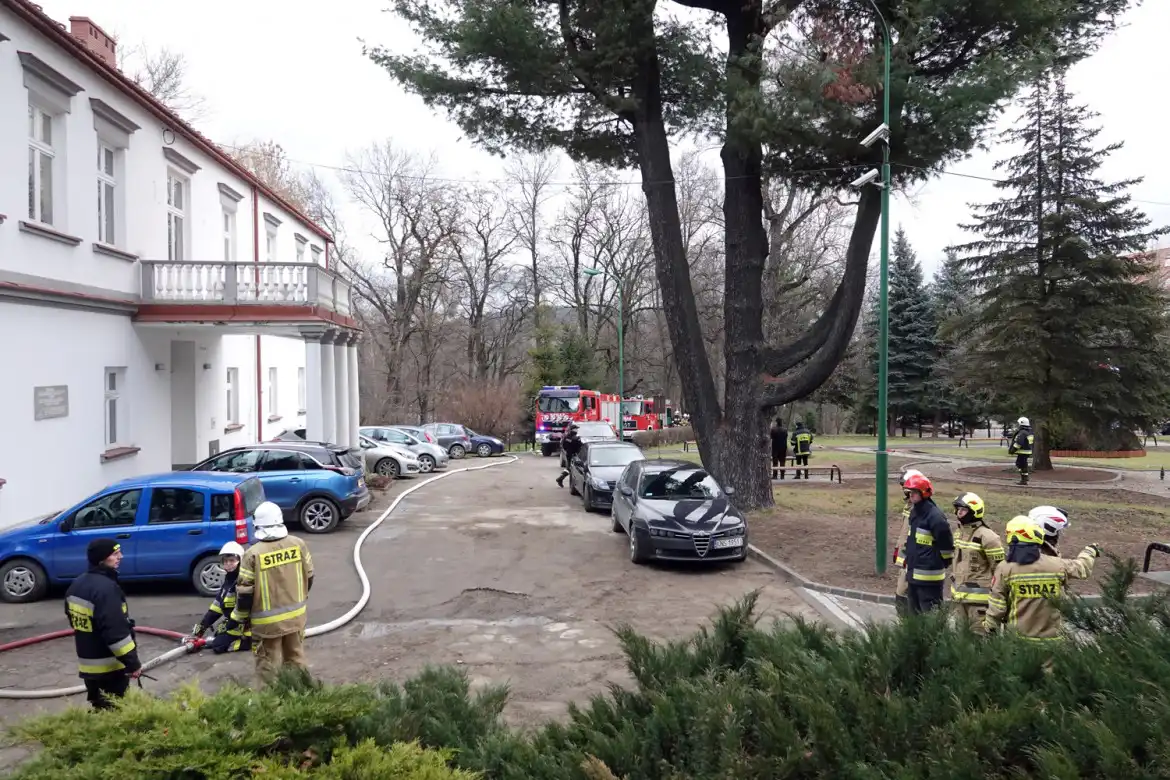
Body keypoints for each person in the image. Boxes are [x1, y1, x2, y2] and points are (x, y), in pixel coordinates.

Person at [230, 501, 314, 685]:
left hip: (266, 626)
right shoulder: (298, 544)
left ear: (258, 526)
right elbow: (310, 577)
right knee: (296, 660)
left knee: (268, 668)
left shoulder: (252, 554)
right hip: (296, 619)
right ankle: (304, 699)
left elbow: (245, 594)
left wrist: (238, 618)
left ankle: (271, 707)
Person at [984, 516, 1100, 640]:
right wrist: (1089, 551)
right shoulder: (1057, 565)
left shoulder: (1005, 569)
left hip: (1018, 643)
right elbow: (1082, 568)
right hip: (1053, 642)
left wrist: (990, 631)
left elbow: (996, 606)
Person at [64, 539, 142, 710]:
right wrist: (132, 663)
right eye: (115, 554)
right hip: (110, 669)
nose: (120, 556)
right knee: (116, 711)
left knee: (100, 708)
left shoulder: (77, 584)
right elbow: (116, 633)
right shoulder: (106, 589)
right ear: (101, 559)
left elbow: (73, 619)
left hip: (88, 666)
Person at [949, 492, 1004, 633]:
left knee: (980, 642)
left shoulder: (989, 537)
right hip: (960, 599)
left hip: (980, 604)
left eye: (963, 510)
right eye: (958, 509)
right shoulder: (959, 533)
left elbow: (999, 571)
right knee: (961, 641)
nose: (959, 513)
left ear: (974, 512)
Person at [901, 473, 954, 614]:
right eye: (909, 492)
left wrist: (940, 561)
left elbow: (947, 546)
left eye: (914, 492)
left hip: (929, 579)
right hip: (914, 576)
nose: (910, 496)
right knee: (915, 618)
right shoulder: (915, 513)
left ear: (924, 493)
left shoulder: (935, 517)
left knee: (931, 620)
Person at [187, 541, 252, 654]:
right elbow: (217, 607)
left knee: (218, 646)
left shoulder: (242, 581)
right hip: (235, 623)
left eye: (232, 560)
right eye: (225, 561)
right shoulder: (228, 580)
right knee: (218, 635)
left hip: (247, 627)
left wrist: (227, 626)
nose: (228, 564)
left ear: (241, 561)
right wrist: (202, 627)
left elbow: (243, 610)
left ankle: (249, 643)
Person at [892, 468, 926, 617]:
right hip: (906, 561)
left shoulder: (920, 509)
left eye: (905, 488)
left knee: (905, 596)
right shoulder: (910, 506)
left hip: (913, 562)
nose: (904, 491)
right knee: (902, 595)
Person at [1008, 416, 1034, 485]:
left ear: (1021, 424)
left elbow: (1019, 442)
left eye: (1018, 424)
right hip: (1027, 451)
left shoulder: (1022, 433)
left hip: (1023, 452)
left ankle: (1024, 479)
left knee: (1020, 464)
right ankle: (1025, 477)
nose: (1018, 425)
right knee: (1022, 464)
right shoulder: (1029, 432)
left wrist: (1013, 450)